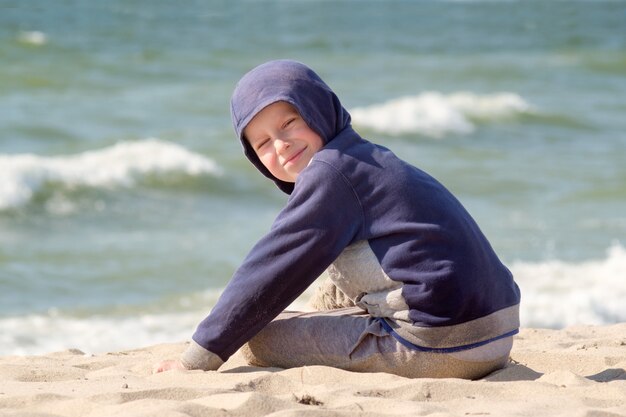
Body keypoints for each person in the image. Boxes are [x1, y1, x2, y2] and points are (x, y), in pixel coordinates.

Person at [154, 60, 521, 379]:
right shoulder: (362, 159)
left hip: (442, 345)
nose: (280, 145)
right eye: (263, 143)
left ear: (317, 109)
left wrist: (196, 359)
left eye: (289, 123)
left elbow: (269, 272)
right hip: (496, 329)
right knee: (325, 279)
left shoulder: (330, 173)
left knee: (257, 338)